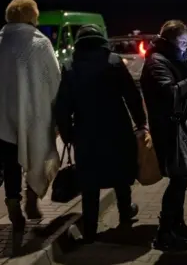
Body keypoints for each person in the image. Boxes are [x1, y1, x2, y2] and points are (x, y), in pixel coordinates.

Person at [0, 0, 60, 255]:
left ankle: (14, 204)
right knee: (36, 153)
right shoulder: (39, 44)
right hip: (34, 117)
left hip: (0, 120)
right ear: (32, 16)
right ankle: (31, 198)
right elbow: (54, 80)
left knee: (10, 164)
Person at [54, 24, 147, 243]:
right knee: (121, 176)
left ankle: (90, 231)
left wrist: (68, 135)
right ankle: (125, 219)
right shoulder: (114, 62)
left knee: (89, 183)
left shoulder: (69, 67)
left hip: (86, 132)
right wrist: (141, 122)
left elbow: (62, 107)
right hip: (117, 129)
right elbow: (131, 95)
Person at [140, 20, 187, 251]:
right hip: (169, 129)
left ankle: (177, 225)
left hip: (182, 125)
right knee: (179, 178)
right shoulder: (156, 61)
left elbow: (186, 86)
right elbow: (167, 93)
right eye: (182, 42)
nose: (184, 47)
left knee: (183, 176)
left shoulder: (174, 58)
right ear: (171, 40)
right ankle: (164, 233)